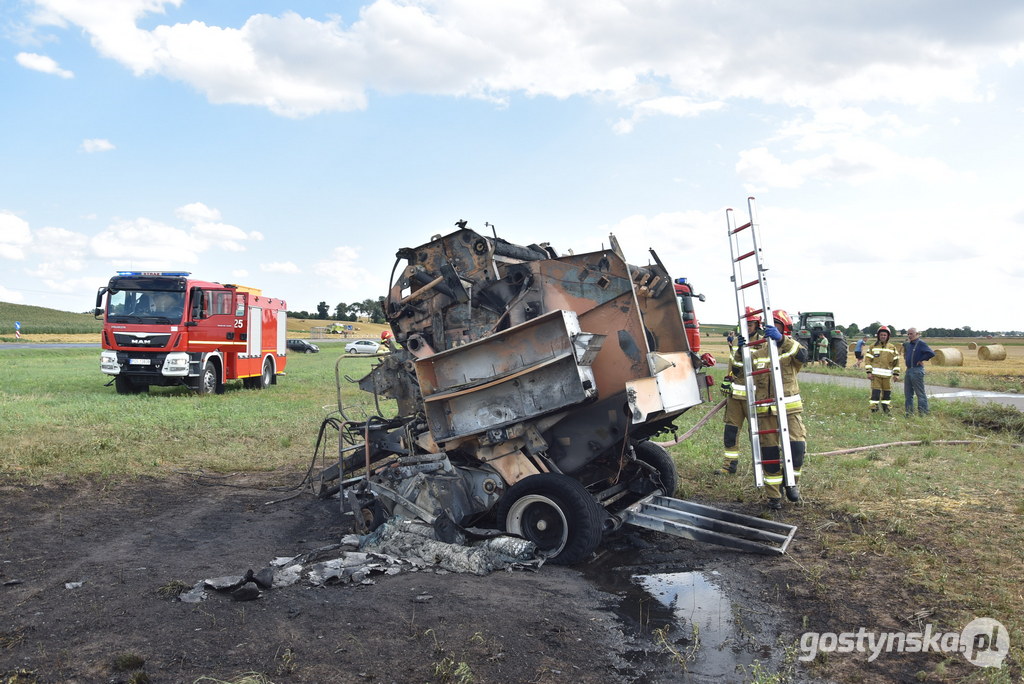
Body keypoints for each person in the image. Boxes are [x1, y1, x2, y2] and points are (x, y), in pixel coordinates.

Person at [750, 309, 807, 510]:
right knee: (770, 454)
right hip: (766, 413)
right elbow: (742, 370)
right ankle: (773, 496)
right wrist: (740, 348)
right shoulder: (757, 354)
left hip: (790, 411)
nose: (772, 328)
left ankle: (790, 483)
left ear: (784, 328)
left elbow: (802, 355)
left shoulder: (790, 348)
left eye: (777, 325)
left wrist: (782, 339)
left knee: (797, 449)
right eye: (770, 325)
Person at [718, 308, 764, 475]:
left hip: (755, 398)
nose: (747, 327)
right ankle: (729, 465)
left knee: (758, 434)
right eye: (745, 324)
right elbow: (732, 364)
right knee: (730, 432)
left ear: (757, 325)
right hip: (735, 397)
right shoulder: (737, 341)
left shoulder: (763, 342)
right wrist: (727, 378)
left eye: (750, 324)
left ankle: (762, 467)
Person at [864, 326, 900, 414]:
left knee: (887, 394)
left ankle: (886, 410)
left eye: (885, 335)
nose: (883, 336)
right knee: (875, 393)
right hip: (875, 376)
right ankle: (874, 410)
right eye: (881, 335)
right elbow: (868, 360)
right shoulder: (873, 346)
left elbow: (896, 362)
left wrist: (896, 374)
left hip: (887, 377)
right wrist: (869, 372)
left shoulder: (892, 348)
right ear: (878, 336)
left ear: (888, 336)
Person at [903, 328, 935, 416]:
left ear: (917, 334)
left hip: (917, 370)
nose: (910, 336)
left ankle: (923, 413)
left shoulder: (921, 343)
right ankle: (909, 413)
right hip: (909, 370)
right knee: (908, 394)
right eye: (908, 334)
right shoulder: (909, 344)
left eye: (911, 334)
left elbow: (931, 353)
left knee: (920, 394)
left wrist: (921, 359)